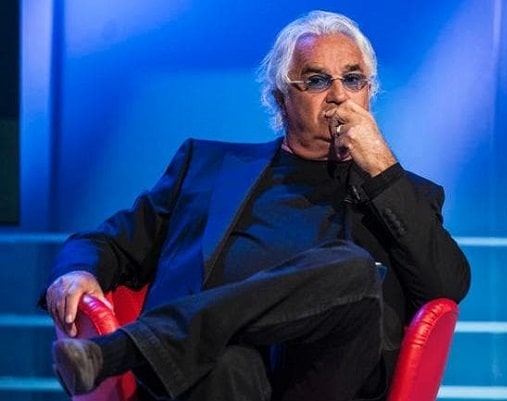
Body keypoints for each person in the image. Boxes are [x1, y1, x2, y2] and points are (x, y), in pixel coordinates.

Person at [43, 10, 470, 401]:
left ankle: (135, 347)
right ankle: (171, 345)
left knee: (354, 268)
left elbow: (446, 288)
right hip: (210, 378)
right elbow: (108, 243)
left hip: (326, 381)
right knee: (228, 364)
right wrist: (77, 271)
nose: (339, 96)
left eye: (353, 79)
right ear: (282, 98)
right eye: (317, 81)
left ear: (370, 93)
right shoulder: (206, 167)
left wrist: (382, 169)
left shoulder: (401, 192)